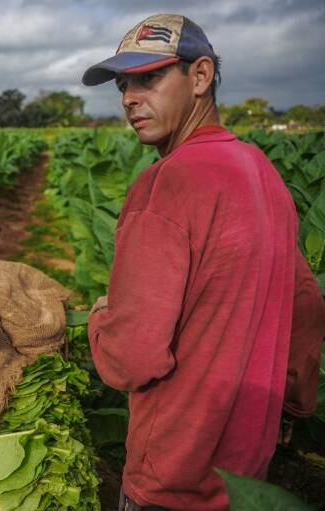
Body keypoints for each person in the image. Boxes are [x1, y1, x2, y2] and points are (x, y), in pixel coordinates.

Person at [81, 14, 325, 511]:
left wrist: (101, 322)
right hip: (246, 471)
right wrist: (295, 399)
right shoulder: (260, 170)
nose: (129, 97)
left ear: (200, 76)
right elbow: (304, 305)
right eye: (124, 84)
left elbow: (133, 356)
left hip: (174, 474)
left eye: (148, 78)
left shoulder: (165, 184)